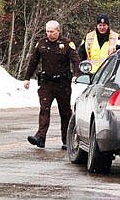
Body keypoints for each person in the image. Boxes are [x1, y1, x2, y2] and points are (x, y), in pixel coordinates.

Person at [22, 20, 81, 149]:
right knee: (44, 109)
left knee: (65, 112)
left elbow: (76, 60)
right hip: (46, 83)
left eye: (52, 31)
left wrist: (77, 75)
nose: (49, 34)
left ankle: (67, 140)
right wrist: (26, 78)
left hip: (62, 84)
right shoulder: (42, 43)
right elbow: (33, 61)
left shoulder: (66, 44)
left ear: (58, 31)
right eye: (47, 31)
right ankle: (40, 137)